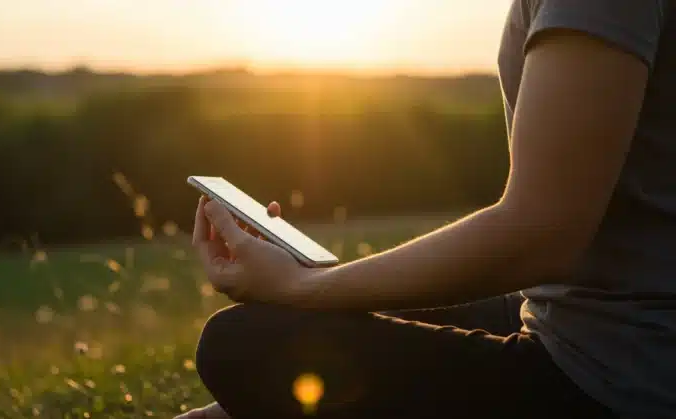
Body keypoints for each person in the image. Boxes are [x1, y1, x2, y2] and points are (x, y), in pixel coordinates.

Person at [177, 0, 675, 417]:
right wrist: (318, 285)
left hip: (620, 374)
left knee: (242, 343)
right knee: (330, 316)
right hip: (593, 317)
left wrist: (302, 287)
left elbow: (542, 235)